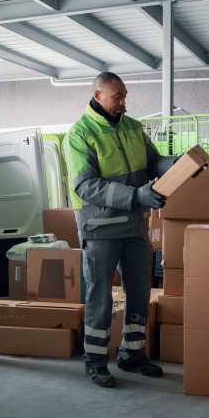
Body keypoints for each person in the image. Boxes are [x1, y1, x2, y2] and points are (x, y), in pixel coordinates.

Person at [63, 72, 177, 388]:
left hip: (135, 226)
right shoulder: (79, 135)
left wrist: (179, 165)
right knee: (99, 295)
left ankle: (132, 354)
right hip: (100, 230)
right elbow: (86, 186)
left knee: (139, 290)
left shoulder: (132, 128)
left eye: (125, 95)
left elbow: (154, 163)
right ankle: (96, 361)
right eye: (118, 97)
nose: (123, 103)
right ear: (98, 96)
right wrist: (134, 196)